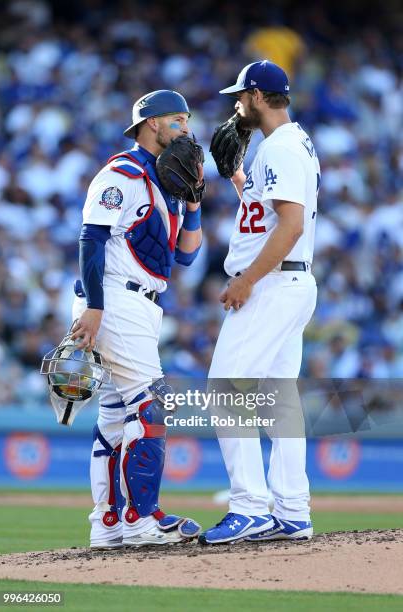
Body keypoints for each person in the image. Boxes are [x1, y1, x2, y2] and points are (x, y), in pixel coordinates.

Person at [70, 90, 204, 548]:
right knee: (153, 404)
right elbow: (91, 238)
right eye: (176, 119)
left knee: (113, 415)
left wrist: (193, 202)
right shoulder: (122, 173)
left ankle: (107, 524)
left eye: (187, 119)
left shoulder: (167, 180)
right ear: (150, 123)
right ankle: (142, 519)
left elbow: (186, 256)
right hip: (114, 300)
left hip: (142, 304)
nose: (185, 127)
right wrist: (94, 303)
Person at [200, 61, 320, 544]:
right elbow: (271, 215)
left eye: (239, 96)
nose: (235, 105)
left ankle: (250, 507)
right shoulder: (285, 145)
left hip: (272, 284)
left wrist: (247, 280)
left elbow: (290, 227)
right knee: (277, 401)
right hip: (288, 284)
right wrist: (240, 182)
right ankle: (293, 510)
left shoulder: (284, 147)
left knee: (224, 388)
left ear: (256, 94)